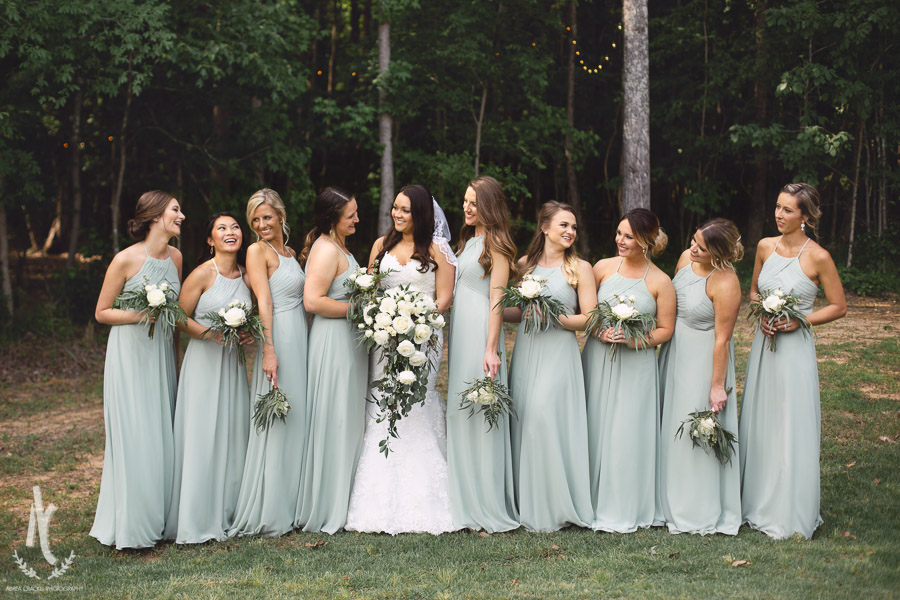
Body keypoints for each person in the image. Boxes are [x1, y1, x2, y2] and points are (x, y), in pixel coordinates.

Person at [343, 184, 457, 535]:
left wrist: (416, 323)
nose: (397, 214)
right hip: (384, 338)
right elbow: (370, 289)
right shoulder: (381, 246)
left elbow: (445, 298)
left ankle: (430, 498)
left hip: (423, 338)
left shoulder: (438, 250)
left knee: (416, 402)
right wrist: (385, 321)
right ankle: (376, 500)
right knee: (383, 403)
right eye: (395, 207)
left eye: (405, 210)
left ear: (420, 213)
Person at [740, 182, 847, 539]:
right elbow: (754, 291)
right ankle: (755, 500)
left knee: (790, 422)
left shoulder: (819, 256)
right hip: (764, 344)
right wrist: (762, 313)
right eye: (777, 206)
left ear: (805, 216)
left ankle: (789, 509)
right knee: (761, 419)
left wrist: (799, 319)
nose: (779, 214)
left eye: (788, 210)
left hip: (795, 350)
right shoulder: (765, 246)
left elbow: (838, 306)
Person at [90, 191, 184, 549]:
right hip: (130, 355)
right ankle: (133, 527)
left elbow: (175, 316)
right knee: (135, 435)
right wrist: (142, 313)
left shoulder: (176, 258)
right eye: (176, 210)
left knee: (160, 434)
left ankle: (157, 519)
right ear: (157, 216)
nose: (182, 216)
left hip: (160, 355)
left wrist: (174, 359)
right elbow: (101, 312)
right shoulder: (126, 260)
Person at [584, 208, 676, 533]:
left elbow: (666, 329)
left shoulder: (661, 282)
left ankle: (624, 502)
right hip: (599, 357)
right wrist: (598, 331)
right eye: (619, 233)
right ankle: (587, 501)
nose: (620, 240)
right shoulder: (602, 268)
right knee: (594, 424)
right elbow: (586, 310)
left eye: (628, 236)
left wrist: (636, 339)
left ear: (646, 241)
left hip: (637, 365)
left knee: (627, 432)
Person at [506, 201, 595, 532]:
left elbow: (589, 318)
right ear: (544, 228)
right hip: (529, 351)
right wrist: (498, 310)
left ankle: (555, 506)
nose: (570, 231)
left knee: (546, 418)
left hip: (559, 353)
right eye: (563, 225)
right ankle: (528, 502)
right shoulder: (524, 266)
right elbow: (516, 312)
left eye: (573, 227)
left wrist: (556, 317)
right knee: (528, 418)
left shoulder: (579, 268)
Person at [165, 212, 252, 543]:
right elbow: (178, 316)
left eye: (234, 227)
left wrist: (246, 335)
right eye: (221, 228)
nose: (230, 232)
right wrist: (210, 335)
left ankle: (228, 510)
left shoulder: (247, 275)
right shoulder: (202, 274)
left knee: (231, 432)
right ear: (209, 239)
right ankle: (195, 517)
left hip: (231, 365)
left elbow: (252, 317)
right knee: (202, 434)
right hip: (203, 362)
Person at [655, 218, 743, 535]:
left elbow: (722, 338)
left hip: (703, 360)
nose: (692, 248)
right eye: (693, 240)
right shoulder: (684, 260)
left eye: (701, 247)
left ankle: (695, 506)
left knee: (693, 427)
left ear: (718, 253)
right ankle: (664, 499)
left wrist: (717, 386)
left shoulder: (726, 282)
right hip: (674, 353)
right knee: (670, 423)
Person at [229, 189, 308, 537]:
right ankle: (271, 508)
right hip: (279, 337)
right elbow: (264, 302)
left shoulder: (289, 253)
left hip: (301, 337)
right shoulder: (256, 251)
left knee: (298, 416)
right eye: (255, 220)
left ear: (281, 215)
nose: (261, 224)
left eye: (267, 217)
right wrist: (269, 350)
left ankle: (294, 502)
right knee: (277, 419)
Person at [446, 176, 519, 533]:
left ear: (489, 205)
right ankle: (461, 497)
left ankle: (484, 502)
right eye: (464, 201)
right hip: (460, 331)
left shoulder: (498, 245)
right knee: (462, 410)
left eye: (474, 202)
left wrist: (492, 349)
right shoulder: (467, 241)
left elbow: (498, 299)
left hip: (480, 332)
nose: (466, 207)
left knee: (481, 409)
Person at [296, 187, 368, 534]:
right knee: (336, 418)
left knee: (348, 418)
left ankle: (347, 498)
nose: (357, 219)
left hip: (348, 343)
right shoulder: (326, 250)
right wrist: (360, 308)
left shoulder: (340, 247)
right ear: (332, 218)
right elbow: (312, 301)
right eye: (351, 214)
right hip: (332, 342)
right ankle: (329, 504)